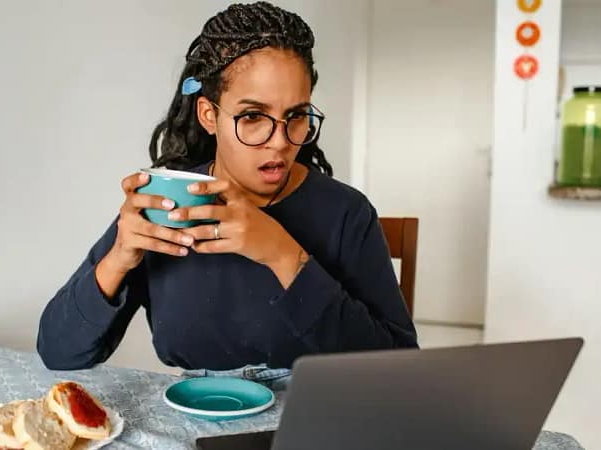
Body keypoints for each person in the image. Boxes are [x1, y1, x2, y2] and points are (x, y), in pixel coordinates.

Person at [37, 2, 417, 384]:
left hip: (314, 406)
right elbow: (57, 351)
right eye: (252, 117)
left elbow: (398, 369)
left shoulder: (346, 213)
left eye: (296, 116)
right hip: (192, 412)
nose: (280, 143)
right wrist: (119, 257)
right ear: (208, 115)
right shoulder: (167, 205)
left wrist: (283, 255)